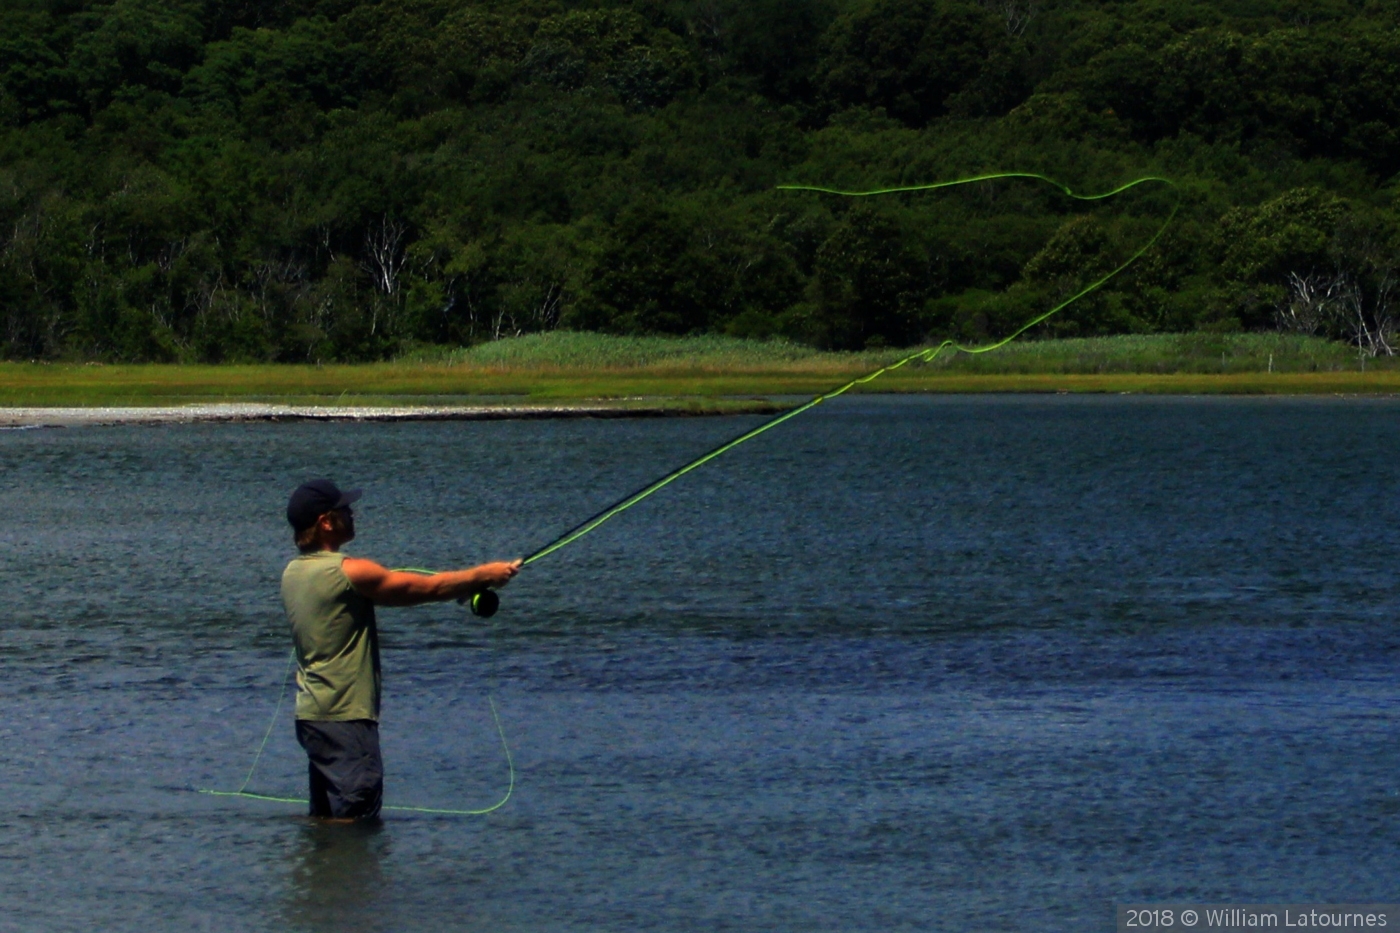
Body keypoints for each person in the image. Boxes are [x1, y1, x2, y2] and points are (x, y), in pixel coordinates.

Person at [282, 478, 520, 821]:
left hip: (312, 719)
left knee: (327, 821)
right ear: (326, 522)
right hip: (347, 718)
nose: (352, 513)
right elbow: (426, 588)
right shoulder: (348, 572)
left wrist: (466, 585)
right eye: (345, 509)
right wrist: (485, 574)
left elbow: (422, 588)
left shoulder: (292, 572)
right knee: (356, 822)